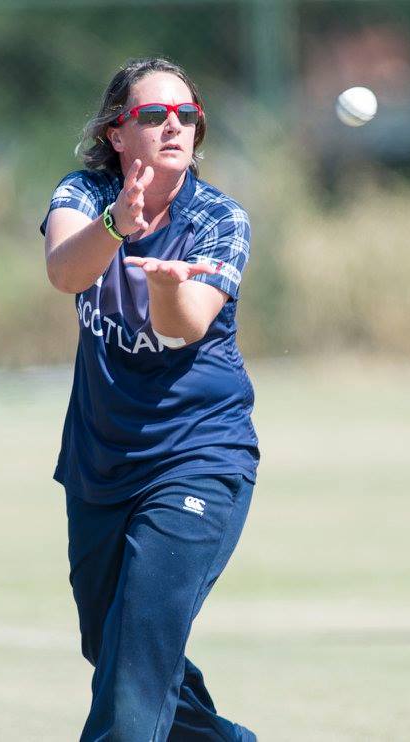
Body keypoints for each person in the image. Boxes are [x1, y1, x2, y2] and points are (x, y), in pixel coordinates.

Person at [40, 57, 259, 740]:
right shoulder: (85, 193)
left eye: (186, 114)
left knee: (136, 657)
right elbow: (64, 272)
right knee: (114, 647)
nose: (174, 126)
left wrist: (166, 285)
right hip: (101, 464)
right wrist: (115, 225)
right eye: (153, 114)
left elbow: (184, 326)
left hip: (197, 457)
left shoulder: (220, 217)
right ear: (116, 132)